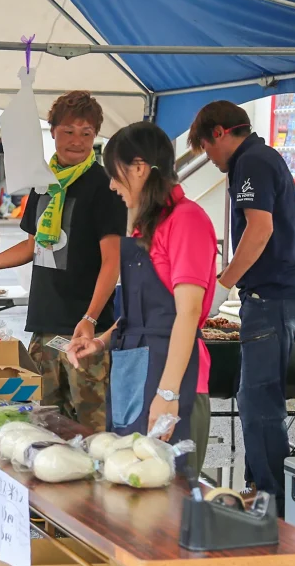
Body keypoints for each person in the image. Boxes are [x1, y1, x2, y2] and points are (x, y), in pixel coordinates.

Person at [0, 91, 126, 431]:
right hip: (44, 325)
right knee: (42, 425)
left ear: (96, 137)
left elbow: (113, 261)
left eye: (86, 133)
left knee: (92, 430)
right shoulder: (42, 184)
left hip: (84, 333)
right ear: (52, 131)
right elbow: (33, 245)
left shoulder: (104, 186)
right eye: (68, 131)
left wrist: (91, 317)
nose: (76, 141)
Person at [67, 121, 217, 473]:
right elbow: (141, 311)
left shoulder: (187, 220)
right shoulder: (145, 225)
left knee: (169, 503)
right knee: (126, 489)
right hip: (134, 373)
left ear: (138, 169)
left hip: (174, 379)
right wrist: (102, 342)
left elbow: (187, 312)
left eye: (114, 174)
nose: (111, 185)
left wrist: (168, 395)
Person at [188, 100, 295, 514]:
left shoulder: (252, 161)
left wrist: (224, 283)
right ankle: (264, 490)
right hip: (280, 296)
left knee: (259, 404)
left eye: (207, 148)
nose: (211, 158)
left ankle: (272, 504)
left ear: (220, 133)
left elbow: (259, 230)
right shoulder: (261, 157)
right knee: (259, 400)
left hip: (273, 297)